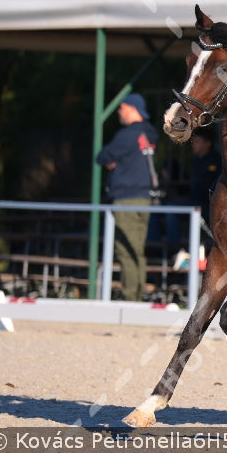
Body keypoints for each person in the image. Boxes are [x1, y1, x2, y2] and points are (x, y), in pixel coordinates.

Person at [96, 93, 159, 302]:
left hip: (126, 198)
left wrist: (113, 162)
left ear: (132, 109)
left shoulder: (127, 135)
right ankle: (137, 294)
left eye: (122, 108)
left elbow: (102, 156)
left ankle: (131, 297)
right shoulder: (149, 133)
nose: (119, 112)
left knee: (125, 249)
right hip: (144, 198)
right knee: (137, 249)